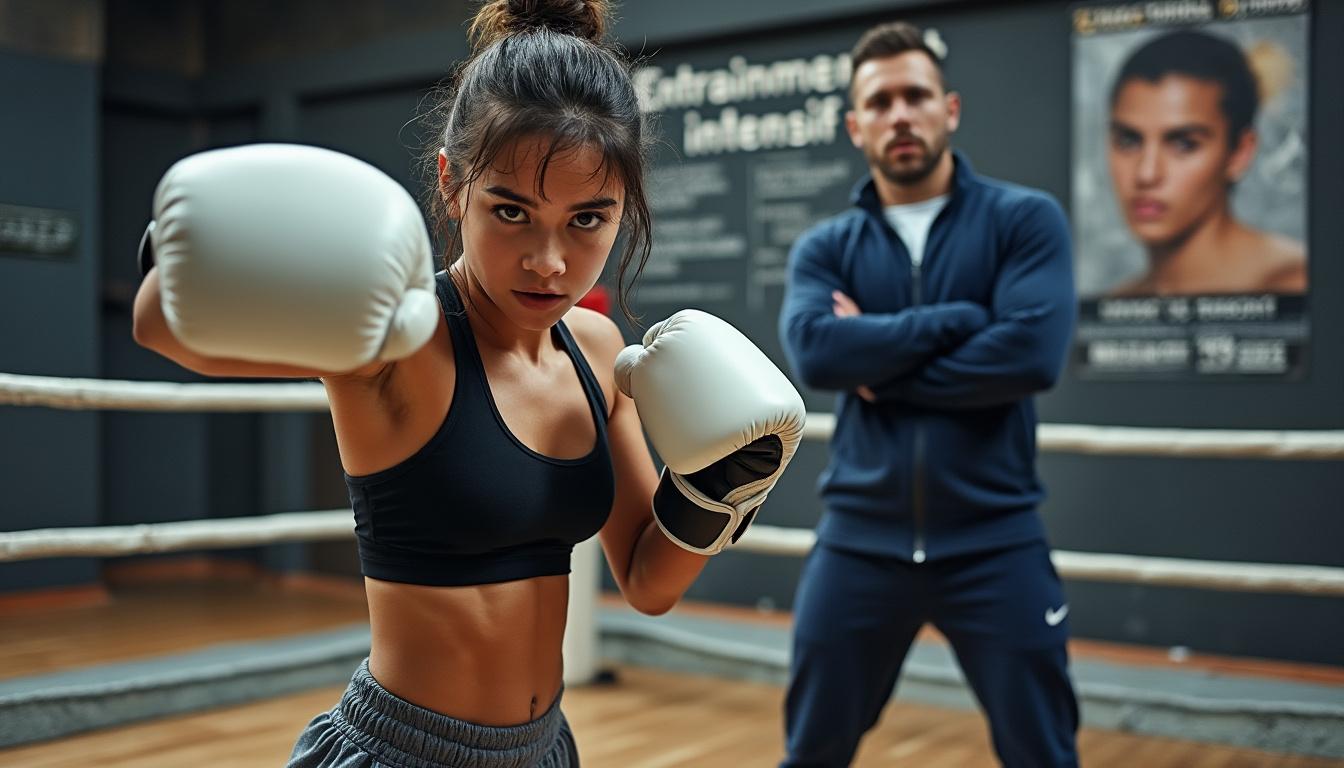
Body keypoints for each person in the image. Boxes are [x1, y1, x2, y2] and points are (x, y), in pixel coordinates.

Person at [131, 1, 806, 765]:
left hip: (547, 748)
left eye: (588, 219)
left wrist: (720, 491)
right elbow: (161, 328)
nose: (549, 261)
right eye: (512, 211)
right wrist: (192, 243)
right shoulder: (402, 340)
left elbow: (649, 581)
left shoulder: (597, 350)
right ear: (453, 187)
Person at [777, 21, 1079, 767]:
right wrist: (961, 321)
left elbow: (1031, 358)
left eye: (916, 95)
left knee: (1043, 753)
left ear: (951, 109)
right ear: (856, 125)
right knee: (811, 751)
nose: (900, 115)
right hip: (860, 540)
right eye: (880, 102)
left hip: (994, 539)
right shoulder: (827, 247)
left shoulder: (1023, 221)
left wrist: (877, 361)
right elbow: (817, 352)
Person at [1105, 29, 1306, 296]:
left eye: (1184, 144)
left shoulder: (1294, 283)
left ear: (1240, 153)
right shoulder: (1119, 302)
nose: (1146, 173)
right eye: (1128, 141)